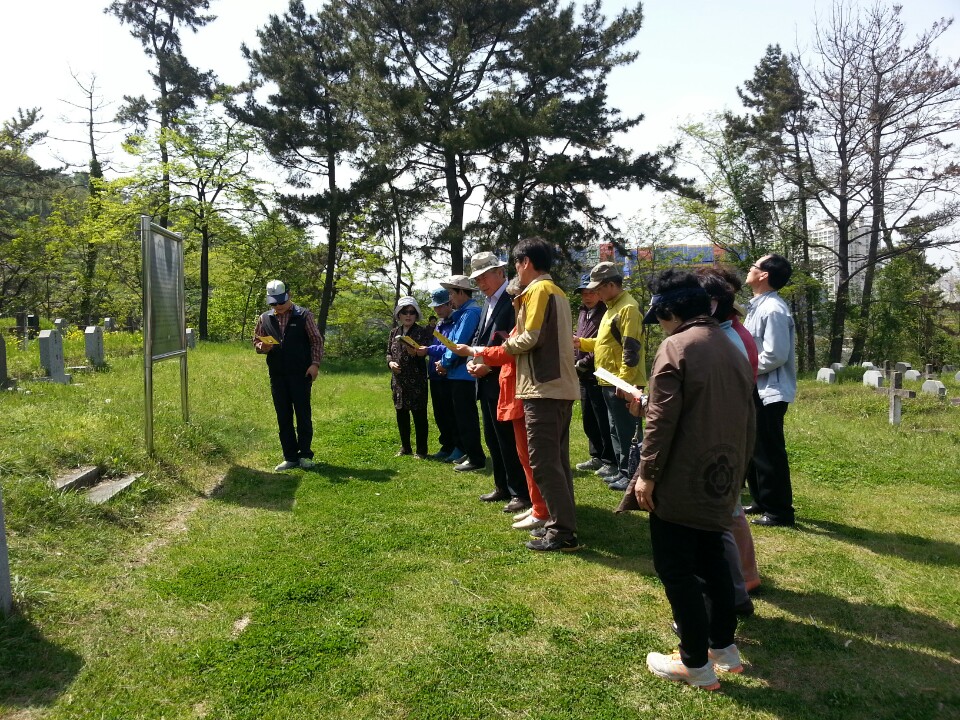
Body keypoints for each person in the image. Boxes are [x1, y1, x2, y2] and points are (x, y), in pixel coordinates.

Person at [634, 269, 755, 691]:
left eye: (659, 318)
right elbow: (749, 418)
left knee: (677, 569)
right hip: (721, 473)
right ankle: (723, 647)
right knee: (713, 561)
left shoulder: (677, 345)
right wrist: (738, 472)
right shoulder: (730, 345)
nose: (660, 326)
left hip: (682, 476)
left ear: (669, 312)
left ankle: (695, 664)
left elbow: (661, 419)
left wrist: (647, 474)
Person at [500, 237, 581, 552]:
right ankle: (563, 525)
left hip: (543, 389)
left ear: (526, 263)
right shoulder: (557, 291)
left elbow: (530, 337)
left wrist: (501, 347)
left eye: (516, 264)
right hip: (559, 387)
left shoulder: (538, 290)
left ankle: (562, 532)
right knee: (556, 461)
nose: (516, 270)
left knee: (544, 463)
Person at [453, 278, 550, 531]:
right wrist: (474, 359)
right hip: (499, 385)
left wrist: (477, 354)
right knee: (498, 440)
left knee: (524, 451)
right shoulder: (491, 306)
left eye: (519, 298)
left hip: (515, 388)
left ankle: (529, 499)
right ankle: (515, 493)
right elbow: (489, 340)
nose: (516, 302)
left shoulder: (522, 314)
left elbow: (509, 350)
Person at [696, 266, 762, 612]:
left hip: (726, 433)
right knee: (730, 508)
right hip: (729, 429)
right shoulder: (729, 331)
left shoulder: (730, 338)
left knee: (727, 511)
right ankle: (744, 576)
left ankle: (742, 580)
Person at [574, 262, 645, 491]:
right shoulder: (612, 307)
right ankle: (623, 471)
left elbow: (631, 349)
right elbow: (604, 342)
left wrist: (624, 383)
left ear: (612, 285)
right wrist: (581, 342)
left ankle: (633, 474)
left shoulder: (628, 308)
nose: (596, 293)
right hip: (609, 380)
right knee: (615, 429)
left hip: (621, 382)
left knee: (627, 431)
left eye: (599, 288)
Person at [468, 251, 530, 512]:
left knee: (509, 439)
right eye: (477, 279)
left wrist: (488, 365)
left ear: (500, 272)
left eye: (484, 276)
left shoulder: (513, 299)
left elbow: (515, 344)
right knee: (492, 437)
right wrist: (473, 360)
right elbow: (480, 338)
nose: (481, 283)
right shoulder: (487, 302)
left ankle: (520, 492)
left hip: (505, 380)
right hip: (485, 381)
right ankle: (502, 485)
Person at [743, 254, 797, 527]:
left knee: (768, 450)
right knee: (753, 448)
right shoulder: (756, 306)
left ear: (764, 275)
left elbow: (776, 354)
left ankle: (779, 512)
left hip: (769, 390)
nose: (749, 269)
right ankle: (761, 501)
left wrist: (743, 366)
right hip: (755, 386)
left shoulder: (773, 309)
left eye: (754, 266)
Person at [253, 280, 323, 471]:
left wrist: (315, 364)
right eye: (274, 303)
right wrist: (262, 346)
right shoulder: (264, 318)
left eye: (281, 302)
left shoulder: (304, 315)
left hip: (301, 373)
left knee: (303, 414)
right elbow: (256, 342)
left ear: (289, 295)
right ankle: (290, 457)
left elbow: (316, 341)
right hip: (277, 375)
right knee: (283, 416)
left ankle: (305, 455)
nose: (278, 306)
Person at [437, 275, 486, 473]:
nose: (450, 298)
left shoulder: (470, 313)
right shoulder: (464, 313)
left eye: (451, 293)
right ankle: (469, 452)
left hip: (464, 374)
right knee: (462, 416)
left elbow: (459, 344)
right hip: (458, 373)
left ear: (461, 292)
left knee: (466, 417)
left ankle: (475, 457)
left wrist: (444, 363)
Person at [572, 273, 616, 476]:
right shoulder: (583, 311)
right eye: (583, 293)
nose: (587, 297)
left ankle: (609, 459)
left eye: (590, 292)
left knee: (602, 419)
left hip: (598, 372)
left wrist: (583, 363)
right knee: (588, 419)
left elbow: (602, 344)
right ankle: (596, 455)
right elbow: (580, 339)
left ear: (599, 293)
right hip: (583, 375)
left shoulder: (605, 312)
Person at [386, 296, 433, 458]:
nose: (408, 315)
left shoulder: (422, 332)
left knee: (419, 415)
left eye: (412, 312)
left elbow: (425, 353)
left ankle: (421, 451)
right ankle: (405, 447)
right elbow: (388, 353)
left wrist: (415, 352)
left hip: (417, 380)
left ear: (416, 315)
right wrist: (390, 363)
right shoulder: (394, 332)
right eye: (405, 312)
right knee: (401, 414)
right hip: (398, 381)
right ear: (399, 314)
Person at [421, 288, 461, 461]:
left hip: (447, 374)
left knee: (451, 413)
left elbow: (450, 346)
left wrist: (428, 350)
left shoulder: (455, 322)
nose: (437, 310)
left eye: (440, 306)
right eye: (435, 307)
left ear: (449, 303)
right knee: (440, 414)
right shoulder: (439, 323)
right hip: (435, 375)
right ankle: (446, 445)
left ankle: (458, 446)